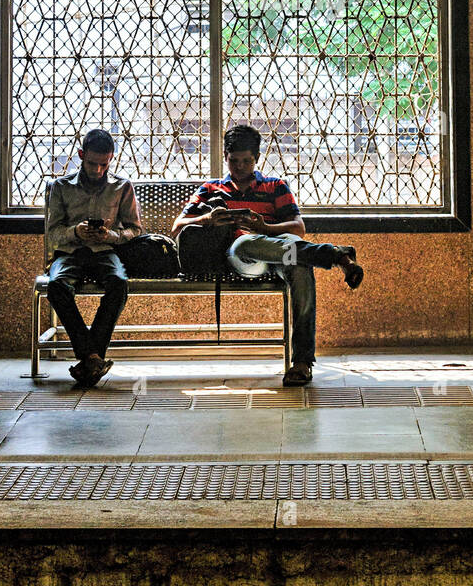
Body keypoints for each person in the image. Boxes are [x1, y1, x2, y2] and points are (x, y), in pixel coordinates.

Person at [171, 124, 363, 386]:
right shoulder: (211, 189)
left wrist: (266, 228)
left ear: (257, 158)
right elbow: (177, 228)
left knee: (300, 265)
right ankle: (335, 255)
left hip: (280, 251)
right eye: (233, 161)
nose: (239, 167)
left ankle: (302, 362)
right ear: (225, 158)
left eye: (246, 161)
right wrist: (207, 218)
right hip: (245, 258)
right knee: (246, 245)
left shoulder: (275, 186)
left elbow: (298, 228)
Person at [45, 128, 142, 388]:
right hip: (70, 252)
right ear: (80, 155)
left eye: (104, 164)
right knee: (56, 287)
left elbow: (135, 230)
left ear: (110, 159)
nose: (98, 170)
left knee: (119, 284)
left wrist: (110, 235)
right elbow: (52, 233)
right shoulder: (61, 187)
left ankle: (90, 356)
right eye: (92, 163)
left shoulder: (122, 187)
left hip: (105, 251)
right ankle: (93, 356)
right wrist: (76, 231)